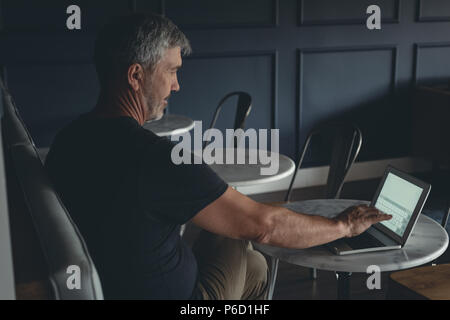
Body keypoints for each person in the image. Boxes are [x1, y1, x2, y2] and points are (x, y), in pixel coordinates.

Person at [44, 13, 391, 300]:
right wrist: (344, 226)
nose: (176, 85)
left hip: (115, 285)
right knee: (240, 236)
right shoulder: (153, 157)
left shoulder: (67, 141)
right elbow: (265, 227)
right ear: (136, 76)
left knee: (255, 270)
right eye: (172, 70)